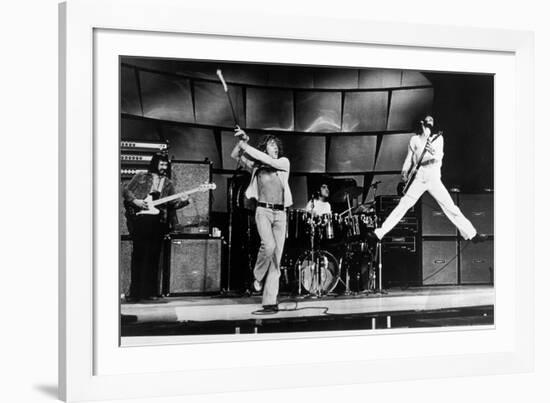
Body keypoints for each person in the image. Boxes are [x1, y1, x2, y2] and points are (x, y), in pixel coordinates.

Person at [369, 115, 487, 243]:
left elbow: (439, 156)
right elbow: (409, 158)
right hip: (419, 176)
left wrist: (432, 151)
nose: (431, 121)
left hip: (433, 176)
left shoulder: (438, 138)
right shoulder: (414, 139)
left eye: (432, 120)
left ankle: (472, 234)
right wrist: (404, 171)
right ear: (422, 122)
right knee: (403, 205)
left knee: (450, 207)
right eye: (428, 119)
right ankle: (379, 234)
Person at [231, 127, 292, 313]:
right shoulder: (256, 167)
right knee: (269, 246)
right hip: (263, 211)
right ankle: (257, 277)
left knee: (276, 259)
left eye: (276, 145)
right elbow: (235, 155)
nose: (275, 148)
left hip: (281, 214)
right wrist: (242, 140)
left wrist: (246, 145)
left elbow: (264, 158)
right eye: (271, 145)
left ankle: (269, 301)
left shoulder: (283, 162)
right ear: (264, 148)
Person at [122, 152, 190, 302]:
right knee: (139, 256)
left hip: (158, 222)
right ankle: (135, 292)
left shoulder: (168, 183)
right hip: (140, 220)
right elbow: (125, 191)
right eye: (161, 164)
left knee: (153, 258)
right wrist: (136, 201)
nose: (164, 167)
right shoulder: (140, 176)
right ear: (155, 163)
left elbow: (173, 205)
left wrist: (185, 201)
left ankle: (150, 291)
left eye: (166, 164)